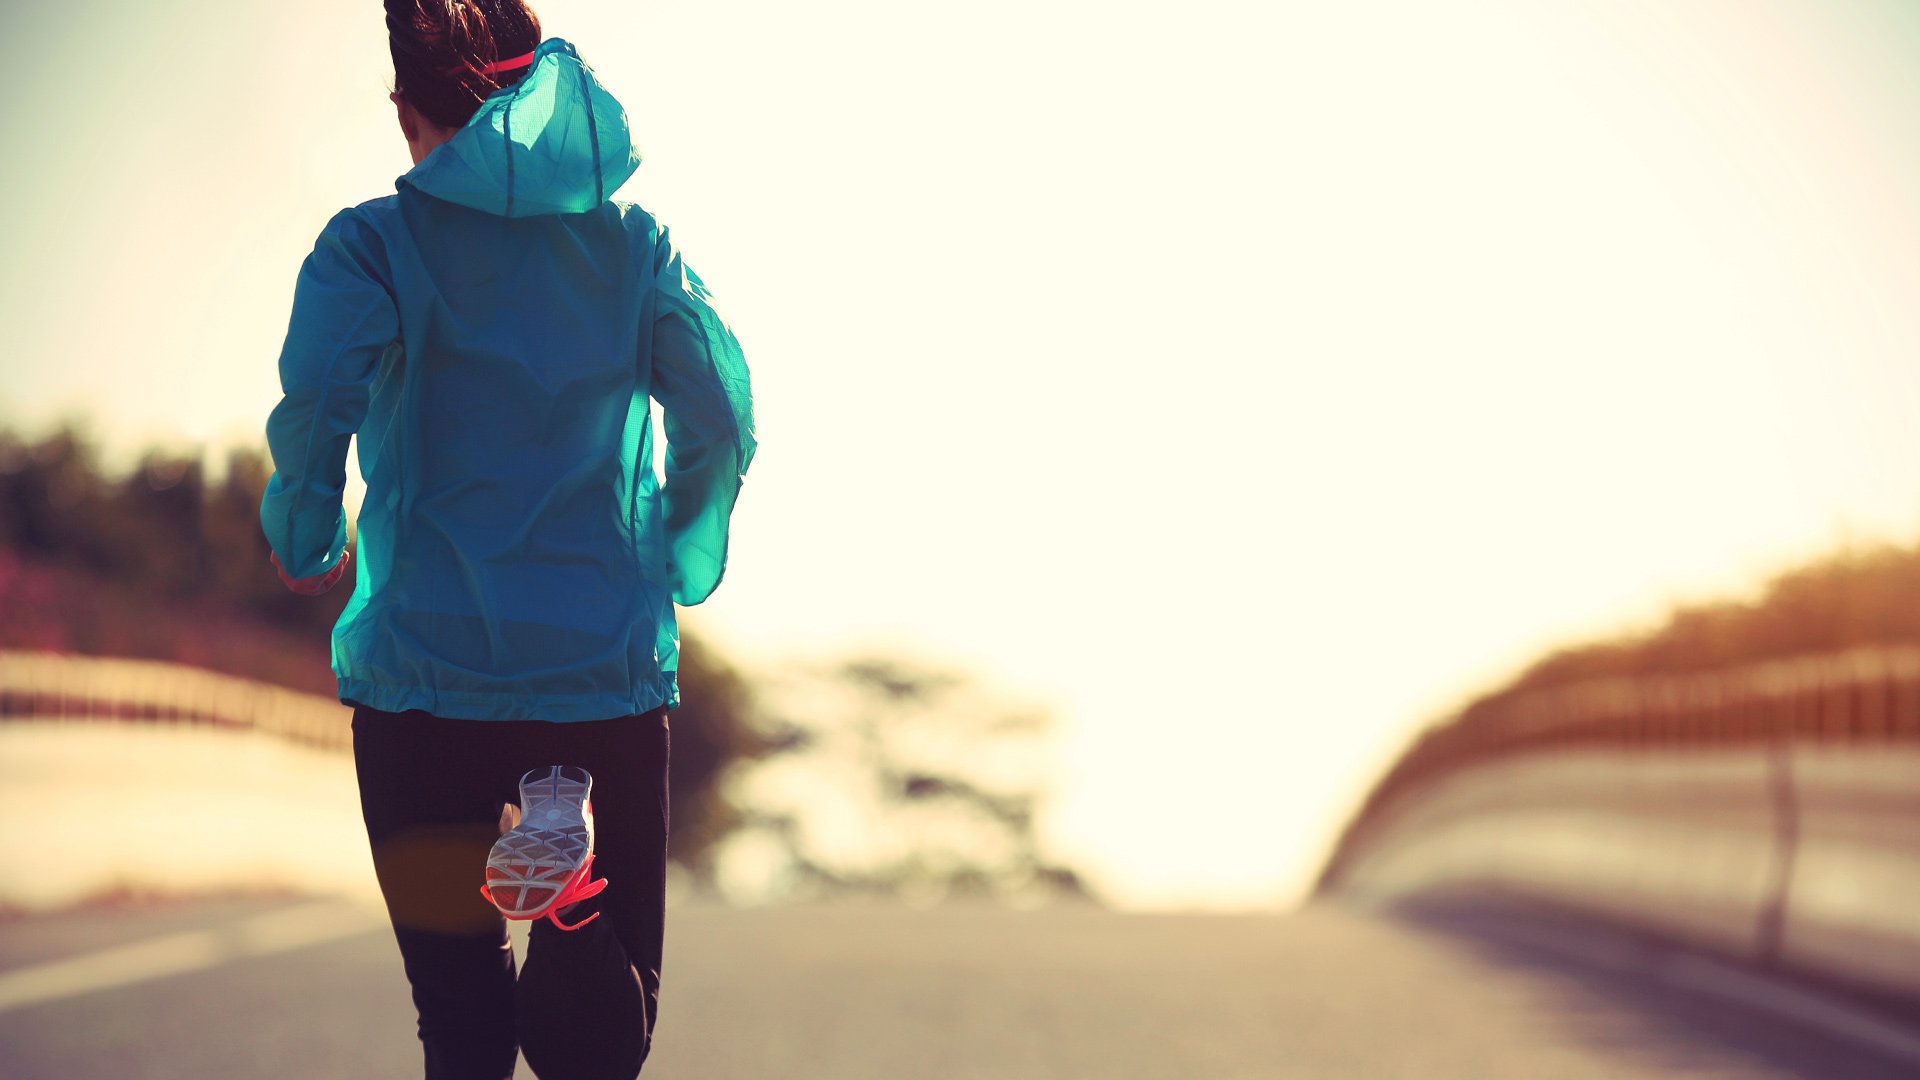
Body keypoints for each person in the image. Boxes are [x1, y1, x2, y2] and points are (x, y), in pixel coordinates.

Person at [256, 2, 755, 1077]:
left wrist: (306, 531)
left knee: (461, 1024)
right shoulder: (635, 246)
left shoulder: (371, 244)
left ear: (406, 111)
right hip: (599, 686)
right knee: (610, 1039)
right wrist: (684, 549)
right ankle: (570, 907)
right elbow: (719, 410)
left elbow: (318, 402)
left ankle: (560, 891)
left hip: (420, 688)